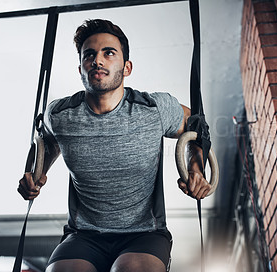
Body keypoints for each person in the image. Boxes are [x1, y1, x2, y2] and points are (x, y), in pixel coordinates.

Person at [18, 19, 211, 272]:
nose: (97, 61)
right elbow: (47, 141)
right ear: (80, 68)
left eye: (108, 53)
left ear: (127, 67)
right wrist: (35, 173)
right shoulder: (60, 114)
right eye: (90, 55)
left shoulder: (154, 109)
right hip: (84, 235)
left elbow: (196, 126)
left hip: (144, 234)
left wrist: (196, 170)